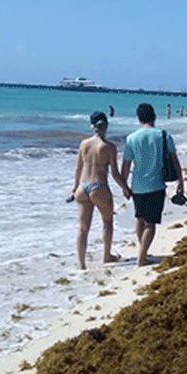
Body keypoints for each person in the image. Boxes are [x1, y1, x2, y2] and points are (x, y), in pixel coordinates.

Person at [121, 103, 185, 267]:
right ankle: (142, 257)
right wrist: (181, 182)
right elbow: (175, 162)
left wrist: (124, 186)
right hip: (156, 185)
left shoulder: (131, 138)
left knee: (139, 217)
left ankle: (143, 251)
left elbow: (126, 166)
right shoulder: (163, 135)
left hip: (137, 186)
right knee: (151, 223)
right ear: (154, 117)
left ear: (138, 118)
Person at [69, 111, 132, 270]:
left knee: (83, 228)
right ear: (106, 126)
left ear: (92, 126)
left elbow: (78, 169)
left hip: (82, 188)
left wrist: (73, 189)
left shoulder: (84, 144)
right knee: (107, 222)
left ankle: (81, 264)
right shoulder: (109, 147)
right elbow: (115, 174)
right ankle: (106, 256)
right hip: (99, 187)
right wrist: (125, 188)